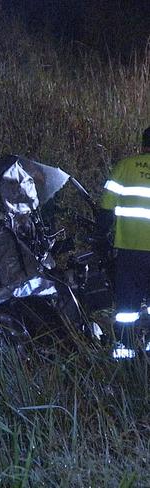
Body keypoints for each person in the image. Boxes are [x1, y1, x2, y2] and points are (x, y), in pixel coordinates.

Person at [99, 126, 150, 358]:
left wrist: (101, 238)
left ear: (143, 145)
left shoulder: (125, 167)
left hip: (129, 251)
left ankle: (124, 352)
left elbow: (106, 209)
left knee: (126, 307)